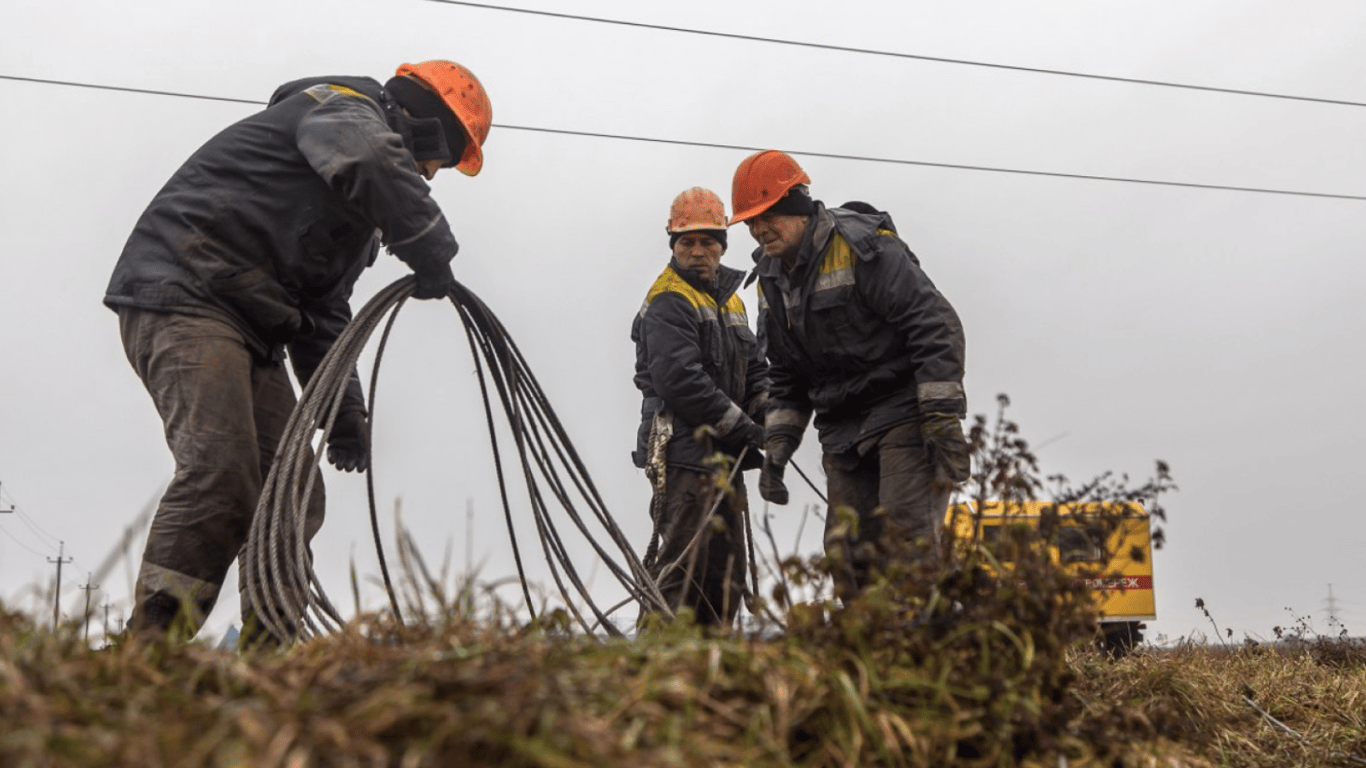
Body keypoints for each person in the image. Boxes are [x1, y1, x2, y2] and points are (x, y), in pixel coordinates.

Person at [103, 60, 493, 643]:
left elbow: (323, 313)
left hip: (248, 326)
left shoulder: (355, 206)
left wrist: (343, 417)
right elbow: (368, 159)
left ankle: (270, 658)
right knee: (221, 472)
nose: (431, 177)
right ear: (429, 126)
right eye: (440, 161)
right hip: (186, 294)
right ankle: (150, 646)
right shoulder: (340, 109)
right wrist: (429, 243)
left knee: (295, 493)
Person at [728, 150, 969, 601]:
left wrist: (940, 415)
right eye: (749, 222)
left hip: (901, 413)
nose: (758, 229)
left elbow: (935, 324)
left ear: (798, 207)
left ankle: (918, 659)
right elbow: (785, 374)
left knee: (905, 543)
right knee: (848, 557)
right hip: (841, 430)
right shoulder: (770, 280)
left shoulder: (864, 247)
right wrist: (777, 448)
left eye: (767, 216)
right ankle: (864, 662)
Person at [631, 187, 770, 628]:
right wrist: (747, 429)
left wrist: (768, 412)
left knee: (725, 574)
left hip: (724, 457)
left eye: (707, 241)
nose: (697, 251)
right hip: (683, 456)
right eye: (686, 242)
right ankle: (654, 666)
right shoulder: (669, 300)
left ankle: (715, 670)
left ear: (723, 246)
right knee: (680, 571)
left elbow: (755, 371)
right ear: (673, 245)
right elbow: (680, 382)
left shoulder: (731, 301)